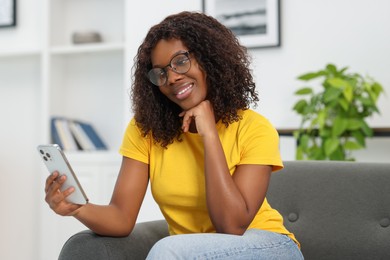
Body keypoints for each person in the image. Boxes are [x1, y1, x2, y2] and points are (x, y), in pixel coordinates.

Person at [45, 11, 303, 259]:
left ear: (209, 59)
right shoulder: (145, 130)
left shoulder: (254, 128)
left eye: (181, 61)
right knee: (172, 250)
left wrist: (209, 134)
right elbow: (121, 218)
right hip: (190, 253)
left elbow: (232, 226)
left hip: (266, 246)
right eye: (161, 72)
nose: (172, 77)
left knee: (169, 250)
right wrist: (78, 208)